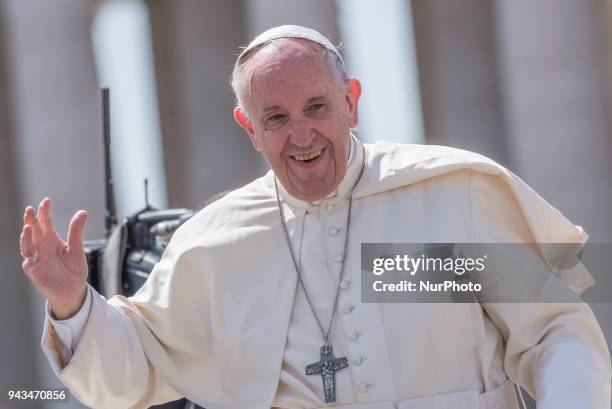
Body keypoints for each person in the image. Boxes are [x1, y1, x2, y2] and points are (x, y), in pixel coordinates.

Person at [20, 25, 611, 409]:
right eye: (274, 118)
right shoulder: (215, 244)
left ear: (351, 101)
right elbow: (128, 376)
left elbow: (555, 330)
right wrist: (72, 304)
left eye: (318, 107)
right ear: (248, 128)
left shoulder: (449, 192)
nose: (301, 135)